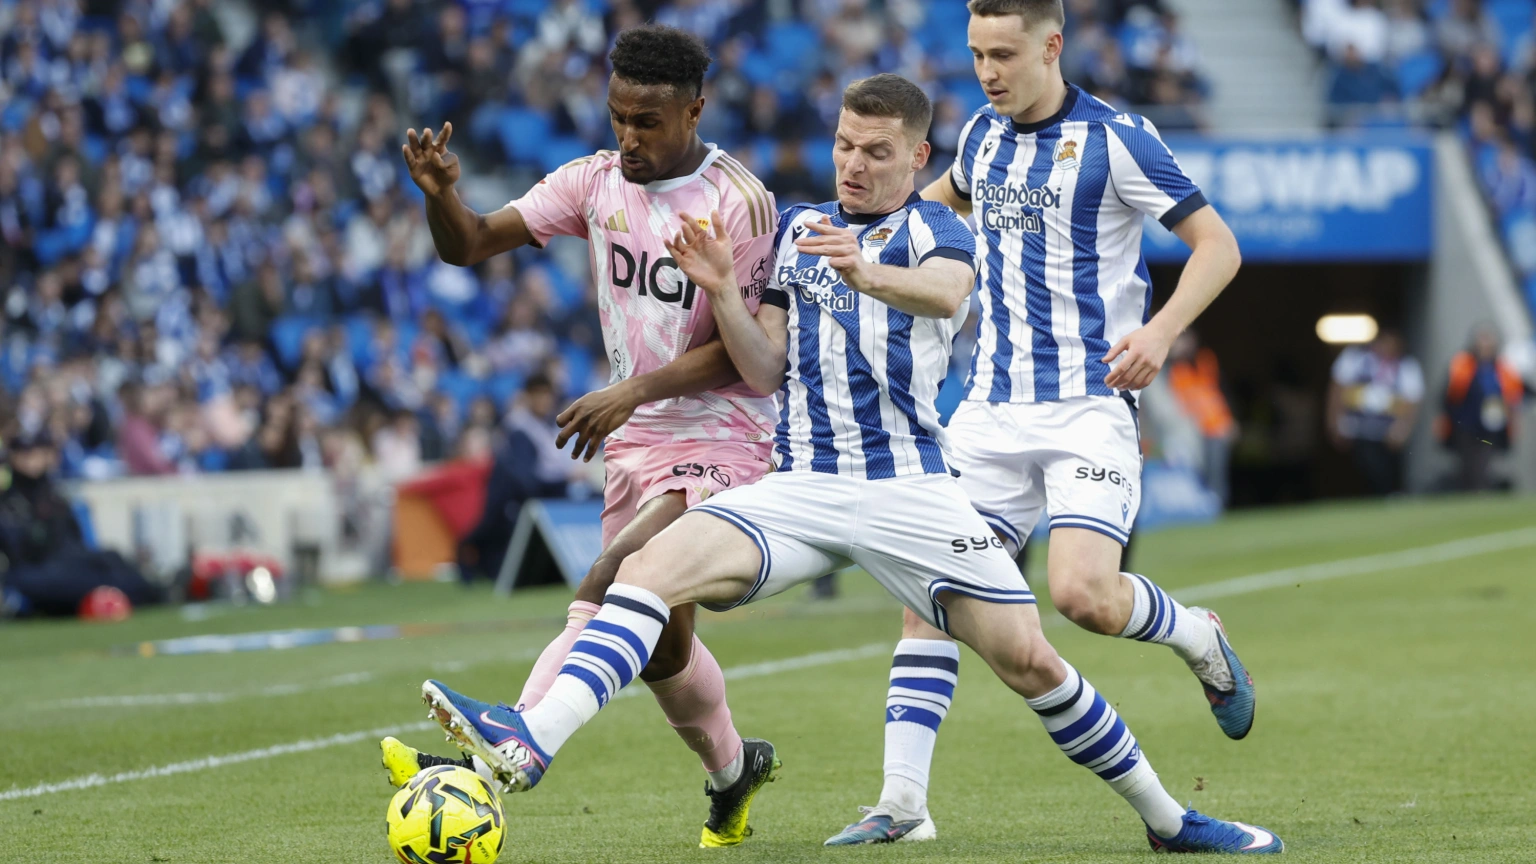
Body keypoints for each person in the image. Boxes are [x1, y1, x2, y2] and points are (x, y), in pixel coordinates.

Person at [415, 73, 1281, 856]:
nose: (854, 165)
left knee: (1032, 662)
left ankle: (1170, 822)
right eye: (843, 146)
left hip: (911, 492)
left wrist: (864, 272)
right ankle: (533, 740)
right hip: (801, 486)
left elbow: (947, 293)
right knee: (643, 573)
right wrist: (723, 290)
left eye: (876, 152)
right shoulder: (799, 228)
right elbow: (765, 368)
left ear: (918, 158)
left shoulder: (940, 230)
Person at [826, 0, 1254, 846]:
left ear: (1052, 46)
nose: (988, 72)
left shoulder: (1118, 139)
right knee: (932, 598)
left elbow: (1219, 246)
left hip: (1089, 406)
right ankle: (902, 805)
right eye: (977, 54)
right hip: (989, 412)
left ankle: (1198, 634)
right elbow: (927, 210)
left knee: (1083, 597)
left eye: (1004, 54)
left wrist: (1160, 333)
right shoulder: (981, 138)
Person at [382, 25, 784, 848]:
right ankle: (733, 772)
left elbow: (745, 354)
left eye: (647, 122)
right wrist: (440, 197)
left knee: (612, 577)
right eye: (617, 118)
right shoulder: (594, 182)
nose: (628, 138)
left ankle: (506, 747)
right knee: (661, 649)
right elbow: (471, 244)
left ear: (694, 111)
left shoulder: (740, 200)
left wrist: (629, 390)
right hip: (638, 443)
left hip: (725, 435)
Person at [1327, 329, 1423, 495]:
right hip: (1358, 429)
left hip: (1387, 431)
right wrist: (1334, 422)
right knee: (1363, 468)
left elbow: (1412, 401)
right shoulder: (1355, 358)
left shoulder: (1406, 366)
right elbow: (1337, 391)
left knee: (1384, 470)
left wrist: (1402, 428)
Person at [1435, 325, 1524, 491]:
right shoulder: (1462, 363)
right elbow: (1449, 394)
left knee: (1484, 459)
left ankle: (1481, 489)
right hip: (1466, 423)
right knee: (1467, 460)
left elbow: (1514, 393)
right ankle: (1470, 491)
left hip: (1491, 424)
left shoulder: (1502, 367)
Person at [1166, 330, 1237, 504]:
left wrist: (1230, 420)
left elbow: (1221, 391)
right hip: (1189, 431)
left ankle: (1216, 507)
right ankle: (1199, 507)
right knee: (1194, 473)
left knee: (1216, 473)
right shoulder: (1171, 367)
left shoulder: (1205, 360)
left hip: (1215, 427)